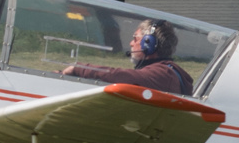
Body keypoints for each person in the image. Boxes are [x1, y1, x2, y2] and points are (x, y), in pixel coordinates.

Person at [62, 18, 194, 95]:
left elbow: (123, 77)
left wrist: (79, 69)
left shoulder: (164, 74)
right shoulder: (163, 71)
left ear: (149, 44)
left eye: (135, 39)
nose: (131, 43)